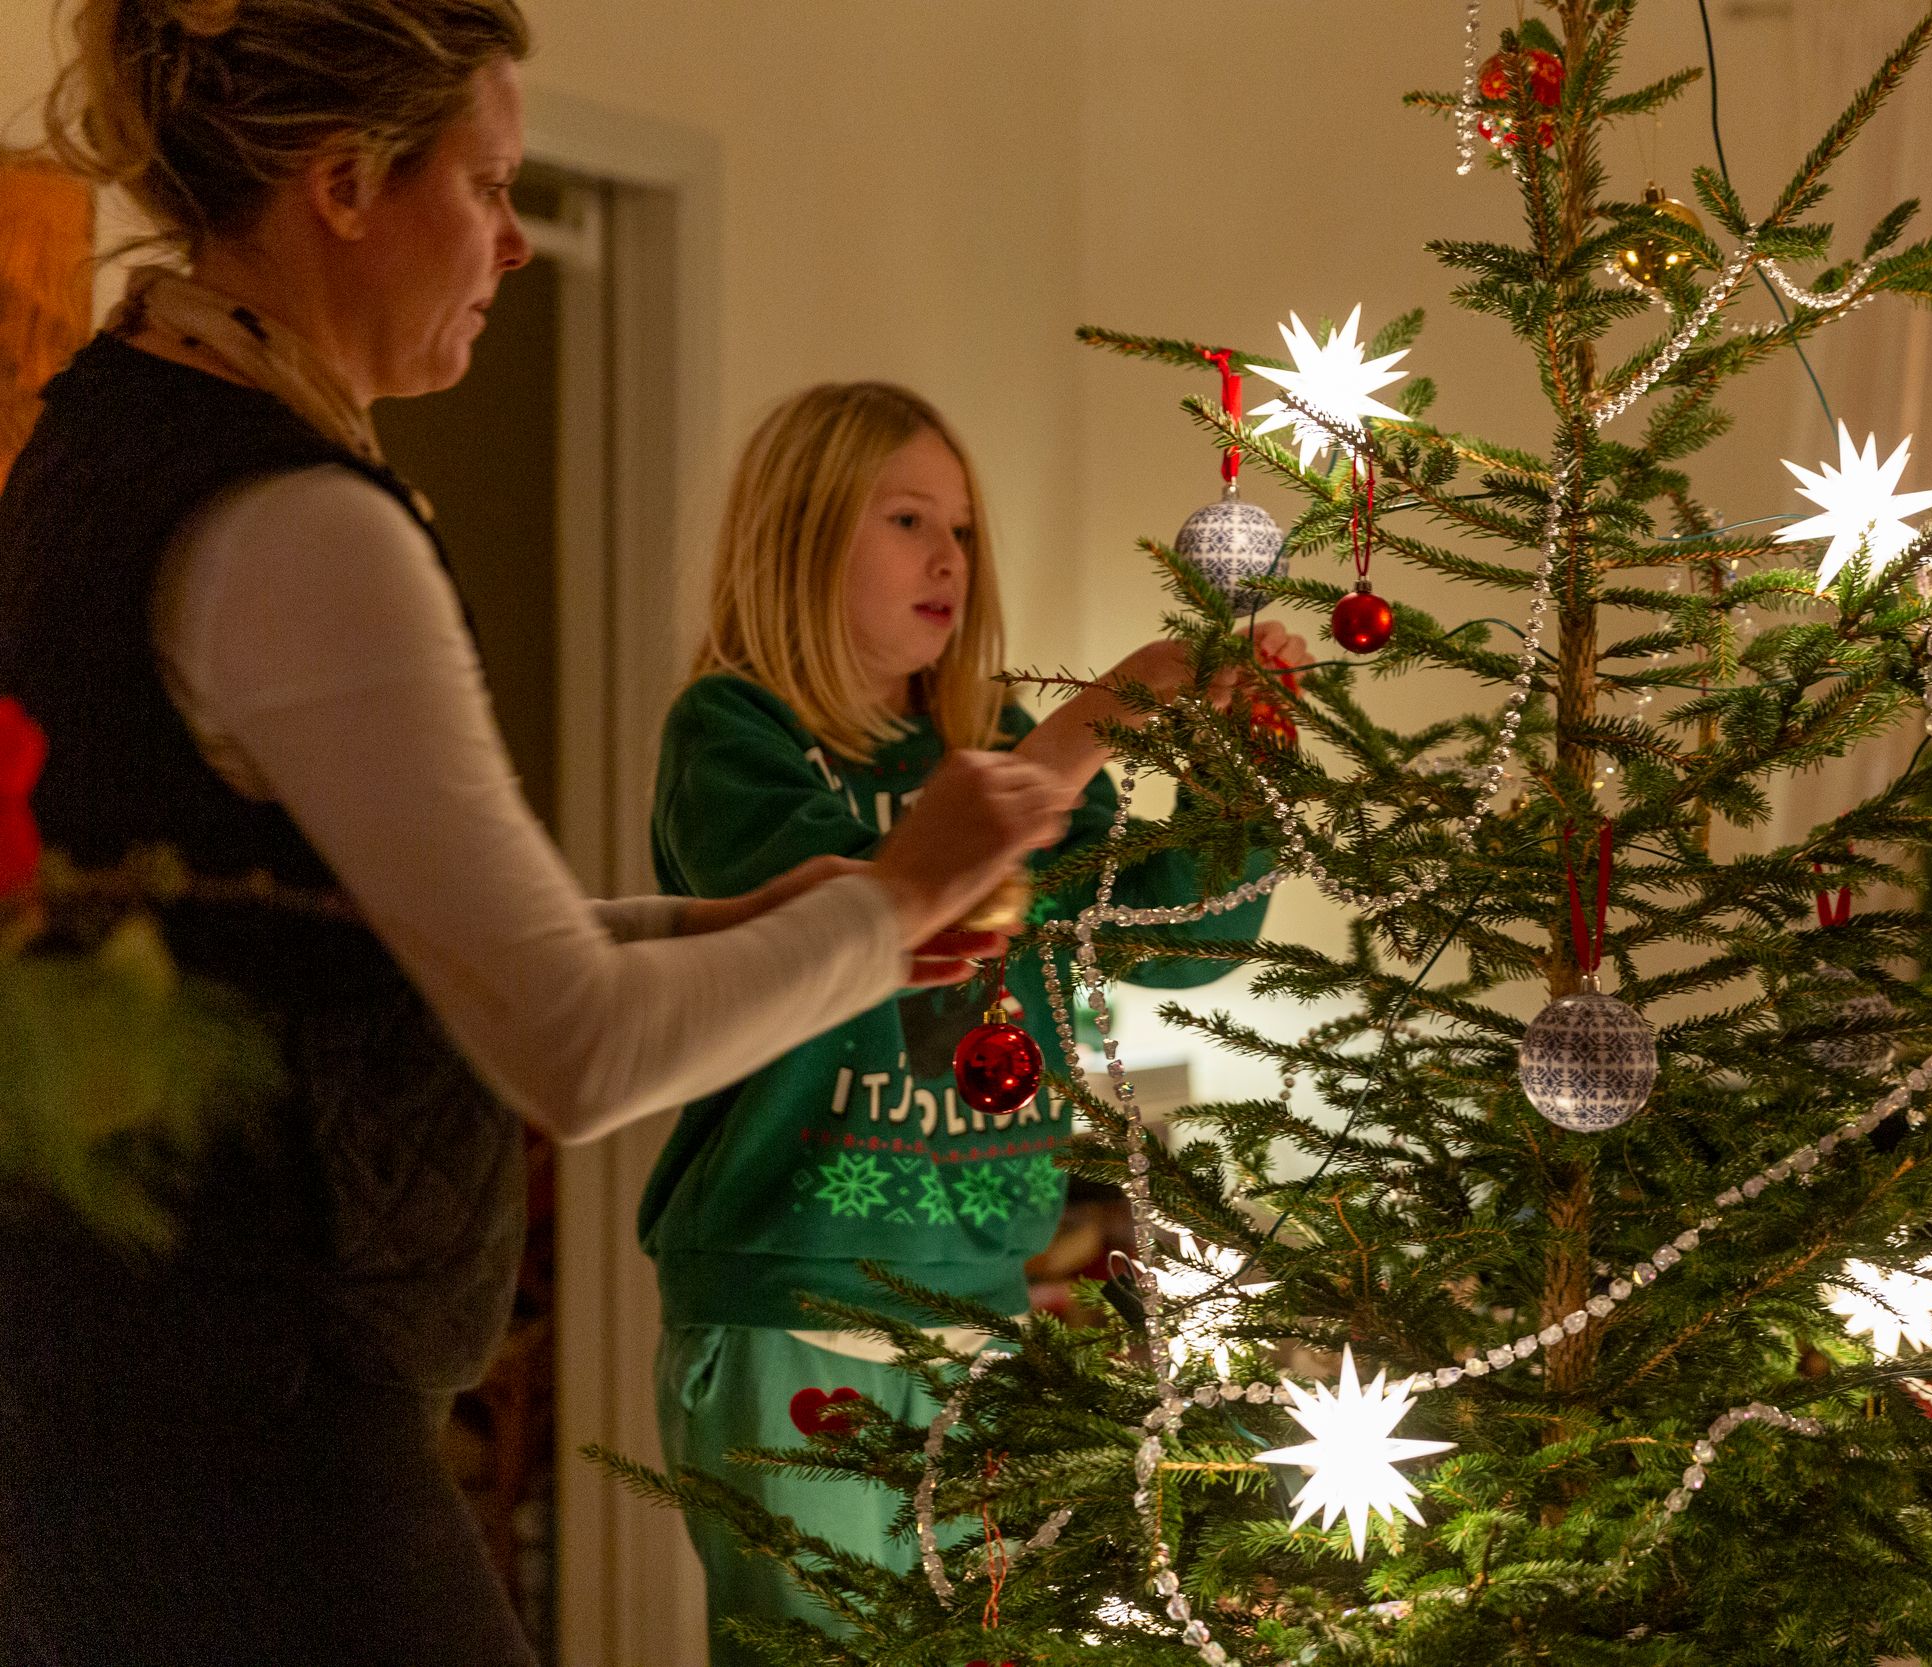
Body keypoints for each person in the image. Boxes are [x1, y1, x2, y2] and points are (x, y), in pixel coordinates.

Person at [0, 4, 1069, 1663]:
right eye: (489, 183)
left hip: (122, 1394)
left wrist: (733, 922)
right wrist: (906, 888)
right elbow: (569, 1048)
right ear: (346, 184)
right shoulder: (295, 523)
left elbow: (380, 939)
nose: (513, 238)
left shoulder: (106, 426)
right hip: (246, 1432)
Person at [640, 380, 1298, 1661]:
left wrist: (1238, 759)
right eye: (904, 519)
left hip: (987, 1304)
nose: (947, 555)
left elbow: (1182, 934)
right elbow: (871, 918)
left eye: (962, 527)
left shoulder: (996, 737)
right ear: (799, 536)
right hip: (793, 1297)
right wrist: (1100, 715)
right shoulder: (732, 733)